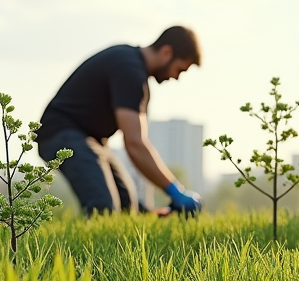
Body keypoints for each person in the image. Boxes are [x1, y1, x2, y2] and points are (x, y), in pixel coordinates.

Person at [36, 27, 203, 215]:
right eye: (179, 69)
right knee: (103, 207)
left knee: (126, 207)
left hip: (93, 142)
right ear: (166, 52)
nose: (176, 77)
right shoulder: (129, 69)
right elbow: (135, 145)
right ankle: (88, 244)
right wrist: (175, 191)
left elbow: (138, 145)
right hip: (61, 134)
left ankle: (144, 224)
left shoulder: (135, 73)